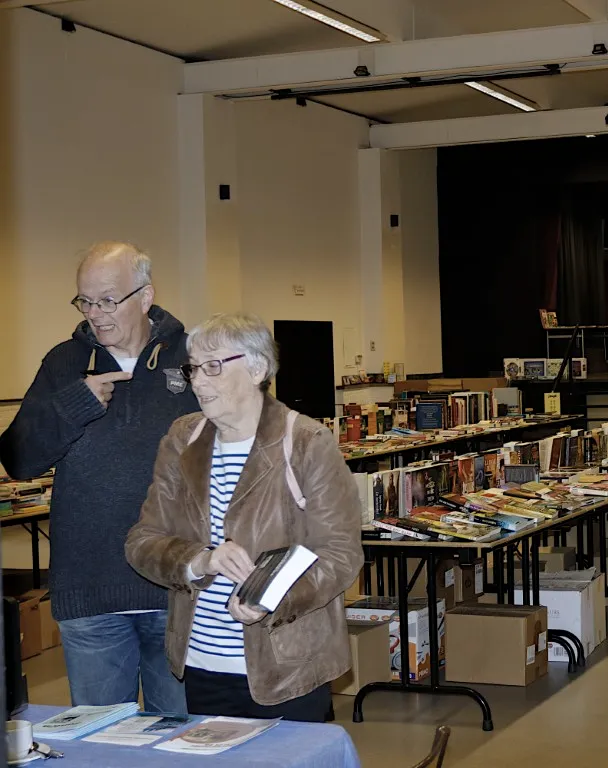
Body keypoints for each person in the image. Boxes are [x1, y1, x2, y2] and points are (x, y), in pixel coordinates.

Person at [125, 312, 361, 721]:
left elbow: (340, 553)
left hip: (287, 667)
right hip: (201, 666)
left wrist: (272, 599)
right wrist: (200, 559)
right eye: (193, 367)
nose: (198, 380)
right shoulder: (182, 439)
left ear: (257, 369)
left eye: (213, 366)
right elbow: (142, 541)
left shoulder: (306, 442)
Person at [0, 242, 198, 713]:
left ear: (145, 296)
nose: (95, 313)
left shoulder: (194, 357)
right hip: (90, 594)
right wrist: (75, 407)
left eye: (108, 300)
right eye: (85, 301)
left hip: (179, 587)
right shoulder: (64, 363)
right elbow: (19, 459)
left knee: (185, 742)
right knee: (102, 749)